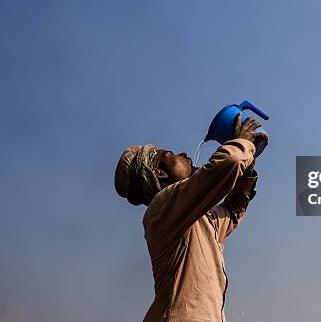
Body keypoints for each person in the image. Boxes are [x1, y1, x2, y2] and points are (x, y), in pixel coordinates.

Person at [114, 113, 267, 321]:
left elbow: (231, 212)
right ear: (159, 172)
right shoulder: (161, 209)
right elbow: (230, 160)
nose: (184, 153)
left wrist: (248, 166)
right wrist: (242, 143)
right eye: (170, 154)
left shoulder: (194, 218)